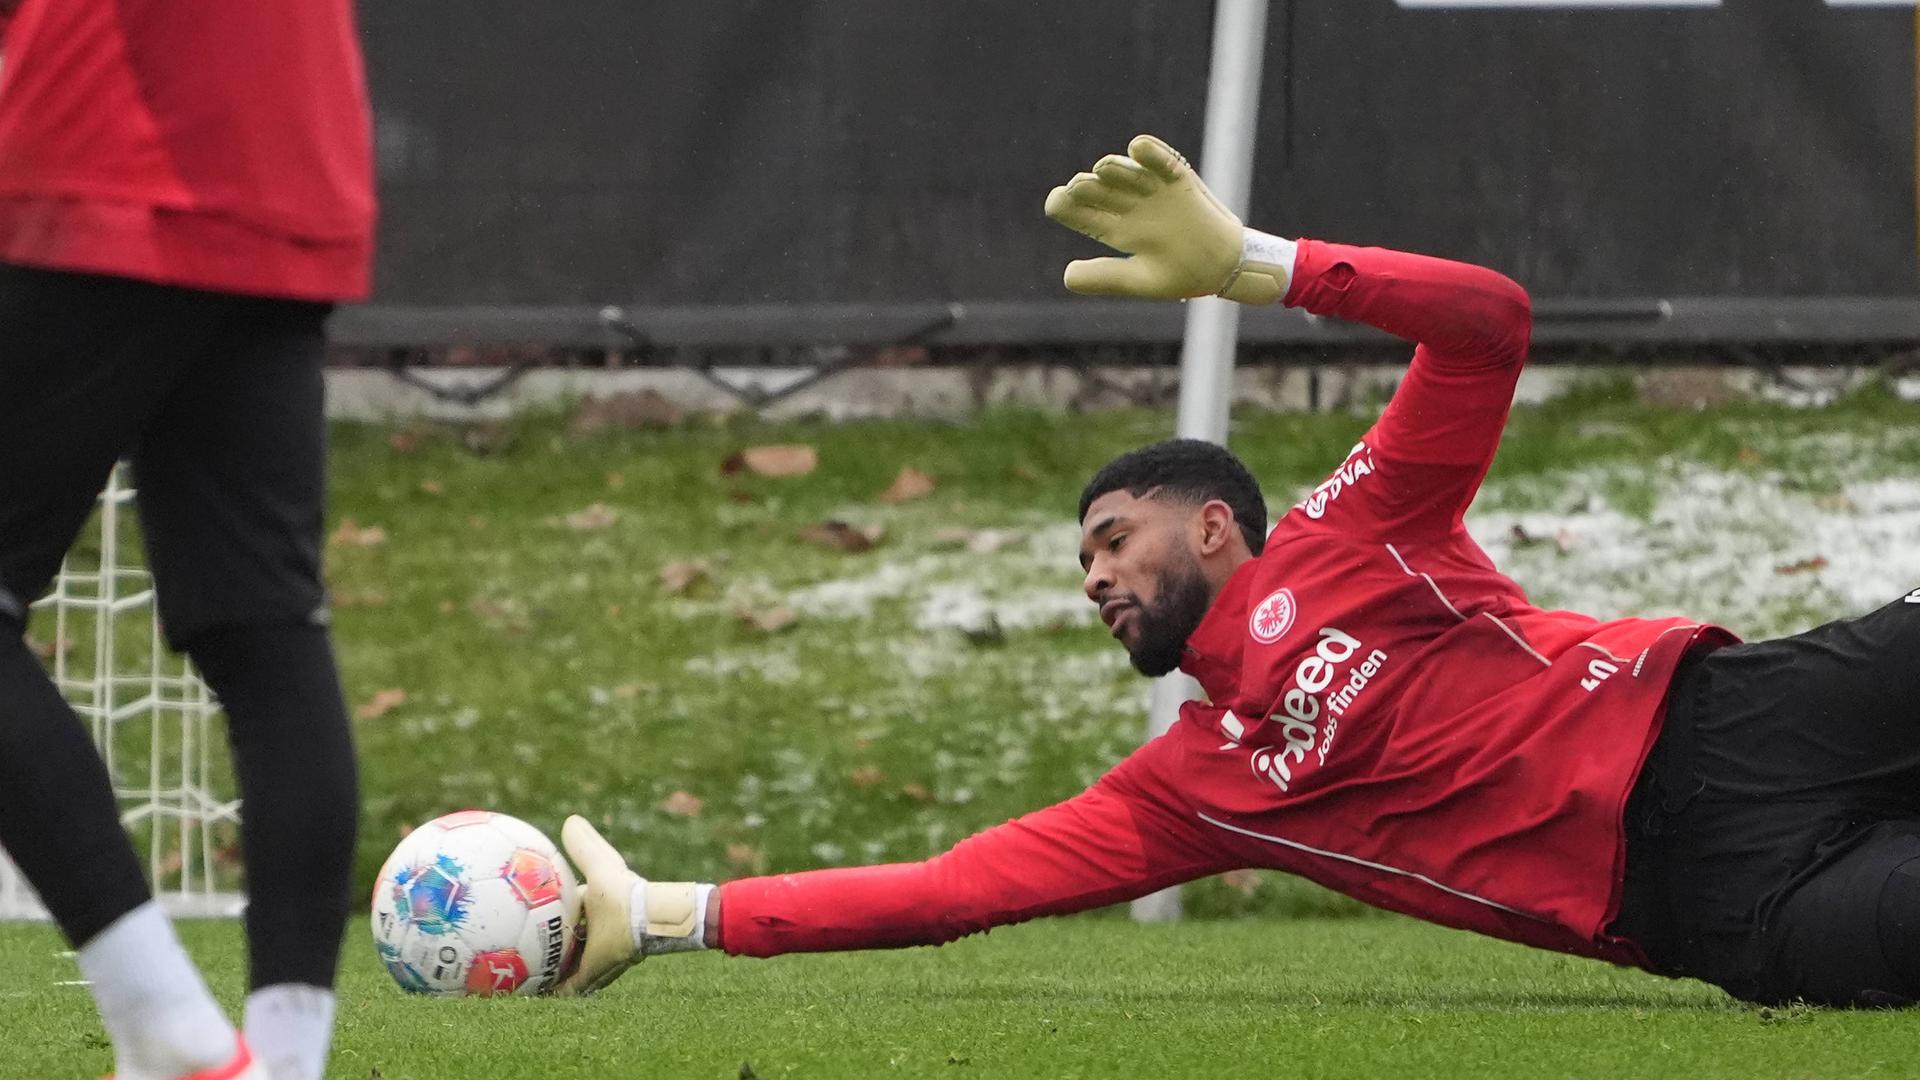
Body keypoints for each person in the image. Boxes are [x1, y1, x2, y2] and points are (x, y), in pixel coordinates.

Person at [551, 135, 1920, 1009]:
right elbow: (958, 887)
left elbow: (1490, 326)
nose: (1090, 574)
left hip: (1724, 718)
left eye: (1111, 536)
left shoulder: (1359, 530)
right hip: (1712, 913)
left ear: (1213, 524)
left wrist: (1262, 266)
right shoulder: (1194, 791)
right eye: (1080, 558)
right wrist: (685, 916)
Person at [0, 1, 374, 1077]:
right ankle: (288, 1065)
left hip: (119, 140)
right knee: (265, 632)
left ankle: (167, 1027)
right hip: (288, 156)